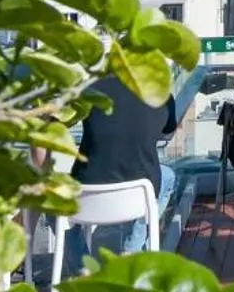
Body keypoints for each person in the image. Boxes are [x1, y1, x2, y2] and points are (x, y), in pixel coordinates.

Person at [67, 72, 182, 268]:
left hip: (86, 194)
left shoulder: (89, 88)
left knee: (51, 207)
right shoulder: (159, 93)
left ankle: (83, 269)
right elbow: (168, 131)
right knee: (169, 177)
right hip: (138, 193)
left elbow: (58, 121)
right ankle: (131, 251)